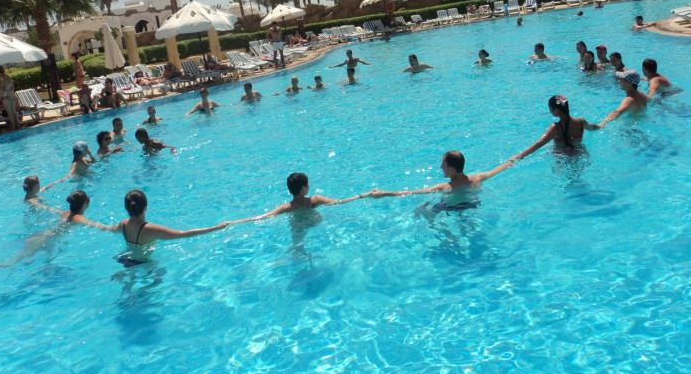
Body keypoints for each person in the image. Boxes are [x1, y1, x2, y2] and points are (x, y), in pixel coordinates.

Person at [369, 150, 514, 201]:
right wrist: (515, 158)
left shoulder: (445, 187)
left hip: (453, 209)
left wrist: (384, 194)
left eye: (443, 165)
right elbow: (501, 168)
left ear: (451, 169)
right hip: (473, 205)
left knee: (422, 209)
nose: (440, 167)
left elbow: (411, 192)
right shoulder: (478, 178)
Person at [232, 173, 367, 225]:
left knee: (297, 245)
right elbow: (340, 202)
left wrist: (232, 222)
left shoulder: (287, 208)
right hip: (315, 222)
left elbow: (263, 217)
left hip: (298, 226)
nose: (309, 186)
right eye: (307, 184)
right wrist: (363, 195)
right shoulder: (315, 200)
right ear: (303, 189)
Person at [111, 190, 229, 246]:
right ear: (145, 207)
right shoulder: (149, 229)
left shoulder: (123, 224)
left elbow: (111, 229)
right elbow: (184, 234)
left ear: (126, 208)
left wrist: (100, 225)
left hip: (125, 260)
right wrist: (216, 227)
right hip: (144, 264)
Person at [511, 95, 600, 160]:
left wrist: (520, 156)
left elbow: (539, 144)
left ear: (556, 110)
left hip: (561, 157)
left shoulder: (555, 128)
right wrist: (600, 125)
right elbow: (592, 127)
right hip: (580, 154)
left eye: (550, 108)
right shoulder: (581, 122)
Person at [0, 65, 20, 130]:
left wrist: (0, 97)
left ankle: (13, 126)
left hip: (5, 96)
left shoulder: (0, 79)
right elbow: (12, 87)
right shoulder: (8, 77)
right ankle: (18, 125)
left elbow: (1, 89)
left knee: (9, 112)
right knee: (14, 111)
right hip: (12, 95)